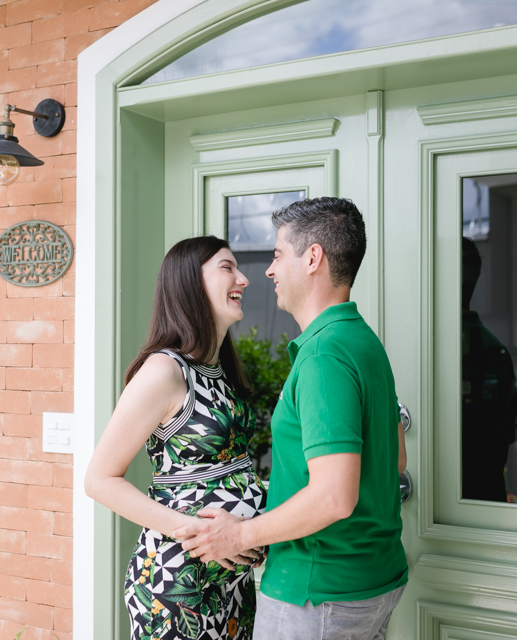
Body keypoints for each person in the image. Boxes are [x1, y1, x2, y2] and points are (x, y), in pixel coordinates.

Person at [174, 197, 408, 640]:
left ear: (313, 258)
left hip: (317, 594)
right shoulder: (363, 341)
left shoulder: (324, 354)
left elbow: (334, 497)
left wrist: (239, 537)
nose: (268, 269)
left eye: (279, 254)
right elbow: (394, 457)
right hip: (374, 582)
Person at [84, 236, 267, 640]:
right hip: (177, 580)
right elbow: (99, 480)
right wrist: (200, 533)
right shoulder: (165, 370)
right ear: (189, 282)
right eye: (227, 267)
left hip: (230, 582)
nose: (243, 278)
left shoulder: (219, 372)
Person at [460, 237, 517, 502]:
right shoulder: (496, 351)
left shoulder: (434, 349)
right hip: (487, 500)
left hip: (466, 501)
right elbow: (509, 433)